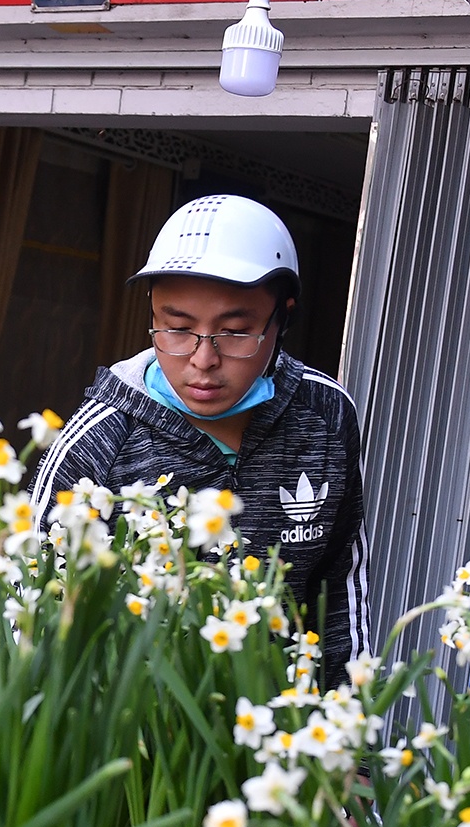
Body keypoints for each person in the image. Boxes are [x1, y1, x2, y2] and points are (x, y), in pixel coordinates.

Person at [29, 194, 372, 673]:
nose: (202, 360)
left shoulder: (325, 415)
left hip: (279, 724)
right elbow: (31, 609)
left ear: (284, 317)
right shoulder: (99, 437)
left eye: (234, 332)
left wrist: (345, 721)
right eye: (176, 328)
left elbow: (341, 584)